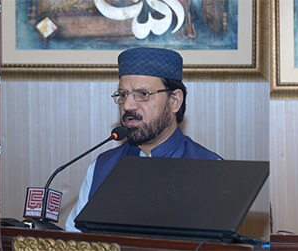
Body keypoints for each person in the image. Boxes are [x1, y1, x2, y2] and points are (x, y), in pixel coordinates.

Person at [64, 47, 221, 232]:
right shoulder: (102, 167)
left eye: (143, 94)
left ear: (174, 101)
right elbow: (75, 241)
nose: (128, 105)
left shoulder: (211, 169)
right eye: (123, 95)